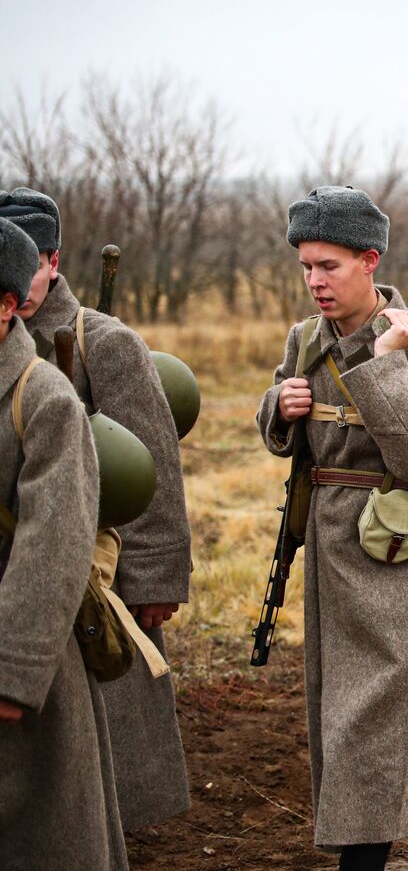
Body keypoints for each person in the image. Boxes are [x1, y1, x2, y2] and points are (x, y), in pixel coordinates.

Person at [256, 186, 408, 871]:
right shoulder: (305, 341)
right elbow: (287, 440)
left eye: (328, 265)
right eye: (306, 266)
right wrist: (279, 407)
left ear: (369, 260)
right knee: (374, 725)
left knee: (375, 728)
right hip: (333, 558)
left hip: (405, 561)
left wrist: (387, 362)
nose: (315, 281)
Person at [2, 185, 194, 831]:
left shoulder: (102, 341)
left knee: (111, 728)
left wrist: (157, 579)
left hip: (101, 579)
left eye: (26, 261)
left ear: (52, 259)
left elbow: (155, 469)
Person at [0, 216, 122, 868]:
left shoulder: (43, 398)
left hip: (25, 651)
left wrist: (14, 672)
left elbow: (53, 542)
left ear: (6, 304)